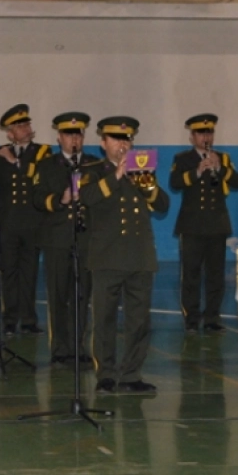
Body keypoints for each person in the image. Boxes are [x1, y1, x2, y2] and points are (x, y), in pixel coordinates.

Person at [75, 116, 168, 394]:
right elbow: (87, 197)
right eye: (116, 139)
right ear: (103, 143)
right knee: (103, 319)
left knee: (138, 320)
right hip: (107, 257)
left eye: (127, 139)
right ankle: (105, 373)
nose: (123, 144)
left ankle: (131, 374)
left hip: (139, 256)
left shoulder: (142, 170)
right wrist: (116, 175)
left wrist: (146, 183)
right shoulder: (92, 170)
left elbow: (162, 204)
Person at [32, 112, 94, 364]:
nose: (74, 139)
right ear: (59, 137)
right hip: (57, 239)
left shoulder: (93, 164)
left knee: (82, 295)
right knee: (59, 296)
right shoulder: (47, 165)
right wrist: (60, 200)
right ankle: (60, 349)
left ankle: (78, 347)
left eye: (78, 133)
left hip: (85, 238)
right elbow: (36, 198)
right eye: (69, 134)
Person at [0, 104, 48, 335]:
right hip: (8, 223)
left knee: (29, 272)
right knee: (9, 271)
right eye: (19, 126)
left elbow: (34, 177)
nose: (24, 129)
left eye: (26, 124)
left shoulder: (43, 153)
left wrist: (12, 161)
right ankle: (10, 319)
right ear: (10, 132)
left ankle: (29, 319)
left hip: (32, 223)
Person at [168, 113, 233, 333]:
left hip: (217, 224)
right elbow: (175, 183)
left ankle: (213, 317)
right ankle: (192, 319)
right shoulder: (183, 159)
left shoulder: (222, 157)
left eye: (209, 132)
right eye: (201, 133)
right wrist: (197, 171)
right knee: (191, 275)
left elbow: (237, 181)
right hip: (192, 226)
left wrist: (220, 168)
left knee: (216, 275)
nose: (206, 136)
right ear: (192, 137)